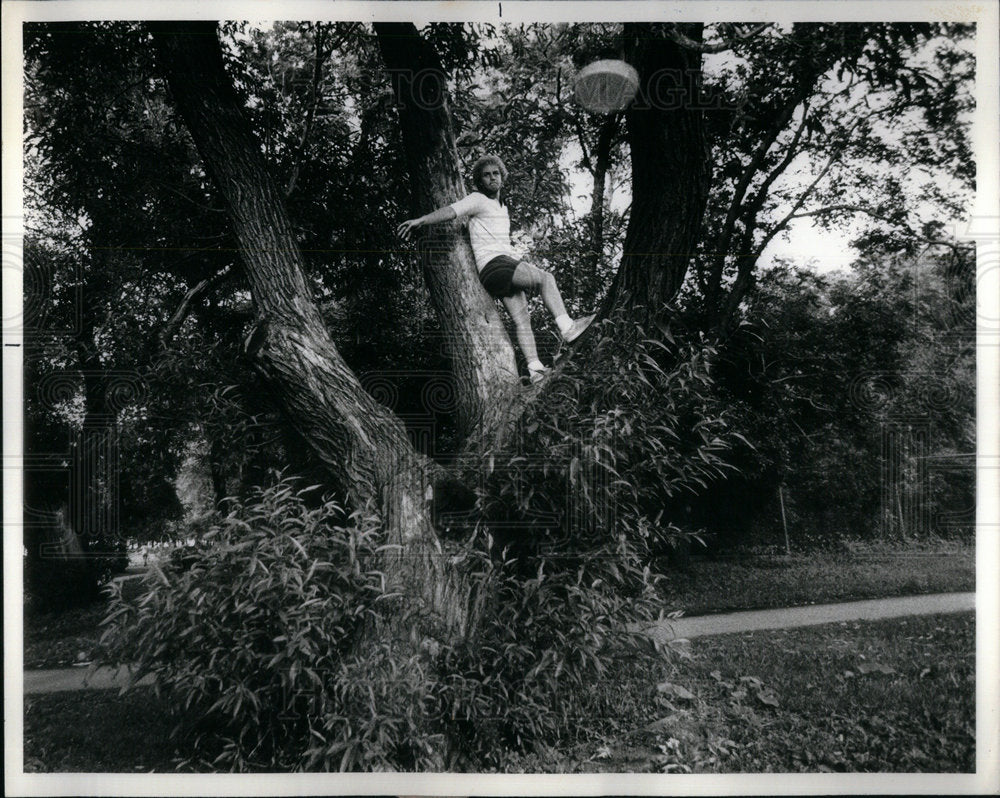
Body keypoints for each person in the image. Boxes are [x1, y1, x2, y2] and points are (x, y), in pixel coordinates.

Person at [397, 154, 595, 383]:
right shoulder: (477, 199)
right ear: (480, 182)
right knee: (546, 278)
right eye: (486, 175)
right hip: (495, 264)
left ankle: (535, 370)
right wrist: (420, 221)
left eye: (496, 173)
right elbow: (452, 210)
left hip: (499, 267)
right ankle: (568, 328)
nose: (492, 178)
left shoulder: (502, 208)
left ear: (502, 177)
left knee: (523, 320)